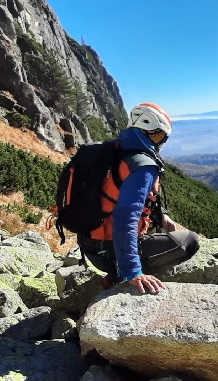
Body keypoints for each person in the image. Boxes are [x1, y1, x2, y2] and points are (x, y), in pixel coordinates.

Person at [79, 103, 200, 294]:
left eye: (162, 137)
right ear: (146, 133)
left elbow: (118, 193)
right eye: (158, 136)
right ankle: (119, 274)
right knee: (190, 241)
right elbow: (125, 217)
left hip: (90, 245)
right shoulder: (142, 166)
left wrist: (163, 216)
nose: (159, 143)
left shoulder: (114, 150)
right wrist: (132, 271)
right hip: (109, 253)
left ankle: (115, 272)